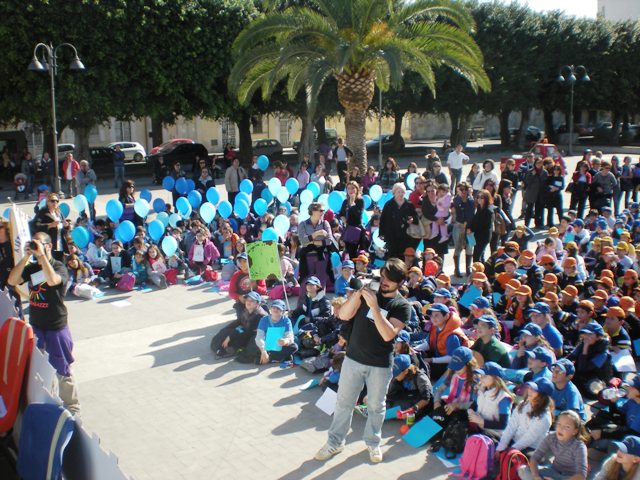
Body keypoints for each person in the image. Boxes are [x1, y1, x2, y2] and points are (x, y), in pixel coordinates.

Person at [315, 258, 412, 464]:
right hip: (353, 359)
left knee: (376, 407)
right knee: (343, 403)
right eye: (383, 276)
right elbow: (343, 315)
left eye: (391, 280)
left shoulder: (402, 306)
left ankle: (373, 443)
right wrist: (358, 294)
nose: (384, 282)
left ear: (400, 283)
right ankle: (335, 441)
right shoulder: (369, 293)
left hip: (380, 365)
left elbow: (388, 335)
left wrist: (375, 308)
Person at [7, 232, 80, 415]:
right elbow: (12, 280)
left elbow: (53, 280)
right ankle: (47, 402)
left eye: (40, 244)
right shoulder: (31, 268)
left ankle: (73, 407)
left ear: (48, 246)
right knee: (38, 368)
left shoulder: (58, 266)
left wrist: (41, 256)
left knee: (62, 370)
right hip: (37, 326)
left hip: (56, 327)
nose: (36, 247)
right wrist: (26, 257)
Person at [517, 410, 588, 480]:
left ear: (575, 431)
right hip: (553, 471)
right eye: (559, 424)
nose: (561, 428)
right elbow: (535, 458)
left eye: (567, 427)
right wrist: (536, 476)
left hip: (569, 477)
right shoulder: (551, 437)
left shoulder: (579, 447)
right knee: (523, 470)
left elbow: (581, 475)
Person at [496, 377, 555, 455]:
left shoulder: (544, 417)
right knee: (496, 442)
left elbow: (529, 438)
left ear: (542, 396)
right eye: (530, 388)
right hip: (515, 440)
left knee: (519, 458)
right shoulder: (523, 405)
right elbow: (511, 426)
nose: (530, 391)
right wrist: (501, 447)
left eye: (534, 390)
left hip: (531, 447)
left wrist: (511, 450)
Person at [210, 291, 268, 359]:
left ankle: (235, 348)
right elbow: (239, 321)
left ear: (257, 303)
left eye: (252, 300)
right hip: (247, 331)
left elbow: (248, 331)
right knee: (225, 331)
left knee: (235, 335)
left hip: (255, 337)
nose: (248, 302)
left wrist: (230, 336)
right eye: (247, 300)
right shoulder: (247, 310)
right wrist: (226, 330)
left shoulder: (260, 315)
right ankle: (224, 346)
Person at [298, 202, 336, 287]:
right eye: (321, 210)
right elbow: (303, 241)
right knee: (306, 279)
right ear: (313, 211)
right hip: (307, 255)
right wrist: (317, 234)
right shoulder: (303, 224)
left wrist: (312, 241)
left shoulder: (325, 223)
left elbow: (329, 241)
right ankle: (305, 300)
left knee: (321, 280)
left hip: (322, 255)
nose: (323, 213)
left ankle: (320, 299)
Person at [254, 300, 298, 365]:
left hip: (280, 345)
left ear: (283, 312)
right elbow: (259, 336)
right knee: (254, 344)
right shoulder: (264, 319)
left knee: (294, 347)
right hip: (267, 345)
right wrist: (263, 351)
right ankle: (276, 357)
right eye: (274, 307)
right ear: (270, 309)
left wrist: (286, 341)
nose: (275, 309)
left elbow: (290, 336)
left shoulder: (286, 320)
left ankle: (269, 358)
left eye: (278, 308)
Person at [33, 192, 67, 260]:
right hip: (49, 246)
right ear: (47, 202)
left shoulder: (58, 212)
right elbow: (35, 226)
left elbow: (63, 227)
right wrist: (49, 225)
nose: (55, 203)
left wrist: (66, 226)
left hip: (60, 246)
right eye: (52, 201)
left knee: (59, 266)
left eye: (57, 201)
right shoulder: (43, 212)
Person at [339, 181, 365, 258]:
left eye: (353, 188)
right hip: (348, 229)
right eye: (349, 188)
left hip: (357, 229)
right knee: (347, 251)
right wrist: (343, 218)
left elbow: (358, 215)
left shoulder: (360, 201)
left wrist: (353, 204)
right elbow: (341, 213)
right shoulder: (345, 201)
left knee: (355, 252)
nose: (351, 190)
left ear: (357, 189)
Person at [469, 189, 494, 262]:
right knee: (480, 255)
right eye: (478, 197)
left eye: (481, 197)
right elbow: (474, 220)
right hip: (476, 235)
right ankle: (483, 270)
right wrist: (469, 228)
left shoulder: (488, 210)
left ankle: (478, 271)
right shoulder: (479, 207)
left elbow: (485, 225)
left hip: (483, 237)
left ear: (486, 199)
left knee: (476, 256)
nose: (479, 199)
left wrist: (472, 229)